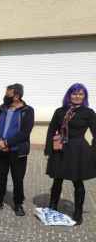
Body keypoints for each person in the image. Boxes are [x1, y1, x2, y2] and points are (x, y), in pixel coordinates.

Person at [45, 83, 96, 225]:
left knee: (78, 182)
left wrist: (93, 151)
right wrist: (49, 149)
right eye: (74, 94)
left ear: (84, 96)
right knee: (57, 180)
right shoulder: (60, 111)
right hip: (60, 149)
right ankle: (53, 206)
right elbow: (51, 129)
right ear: (69, 95)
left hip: (78, 150)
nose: (77, 96)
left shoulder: (88, 112)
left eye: (80, 94)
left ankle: (78, 213)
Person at [0, 84, 35, 216]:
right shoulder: (1, 109)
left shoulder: (28, 111)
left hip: (17, 150)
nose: (6, 96)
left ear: (17, 96)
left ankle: (18, 204)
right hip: (0, 148)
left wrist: (7, 142)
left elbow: (25, 132)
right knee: (0, 177)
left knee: (18, 178)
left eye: (9, 94)